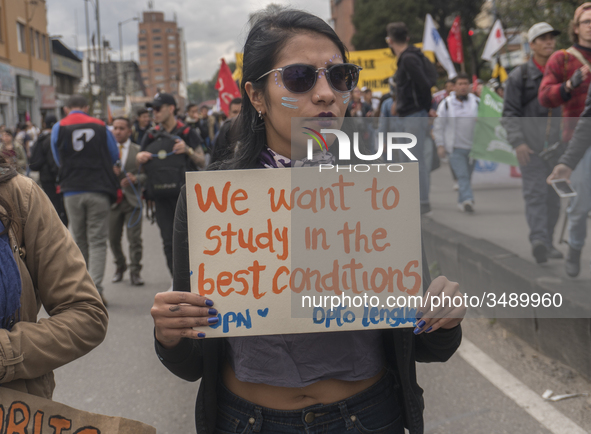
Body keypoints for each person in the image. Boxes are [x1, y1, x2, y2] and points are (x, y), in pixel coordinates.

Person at [151, 9, 465, 434]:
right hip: (248, 421)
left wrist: (442, 315)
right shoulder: (212, 200)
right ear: (256, 96)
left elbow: (425, 343)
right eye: (300, 77)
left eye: (339, 76)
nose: (325, 94)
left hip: (367, 417)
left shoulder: (377, 191)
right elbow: (191, 360)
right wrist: (169, 333)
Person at [0, 156, 108, 398]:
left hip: (14, 412)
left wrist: (5, 354)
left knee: (97, 241)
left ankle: (104, 278)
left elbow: (87, 314)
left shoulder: (18, 195)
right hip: (76, 192)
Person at [503, 22, 563, 264]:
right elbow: (509, 112)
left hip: (559, 150)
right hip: (531, 149)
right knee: (535, 195)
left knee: (554, 199)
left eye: (552, 37)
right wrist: (518, 142)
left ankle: (547, 242)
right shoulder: (521, 75)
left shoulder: (564, 74)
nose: (549, 41)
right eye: (543, 38)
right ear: (532, 44)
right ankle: (539, 241)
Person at [50, 94, 120, 305]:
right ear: (87, 107)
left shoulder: (59, 127)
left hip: (72, 189)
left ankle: (81, 289)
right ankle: (96, 288)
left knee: (78, 240)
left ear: (66, 109)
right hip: (99, 188)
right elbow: (114, 154)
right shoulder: (100, 126)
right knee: (98, 240)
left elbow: (57, 158)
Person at [539, 3, 591, 276]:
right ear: (576, 27)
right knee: (580, 204)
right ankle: (575, 247)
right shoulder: (563, 58)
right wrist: (569, 85)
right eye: (587, 21)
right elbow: (545, 96)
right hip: (578, 140)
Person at [136, 93, 205, 276]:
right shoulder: (151, 135)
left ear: (171, 108)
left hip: (187, 197)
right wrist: (139, 158)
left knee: (192, 241)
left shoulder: (187, 132)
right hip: (161, 198)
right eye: (152, 109)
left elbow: (202, 162)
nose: (154, 113)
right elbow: (142, 167)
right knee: (168, 241)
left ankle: (195, 279)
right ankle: (176, 282)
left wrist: (188, 150)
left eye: (158, 108)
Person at [386, 22, 434, 215]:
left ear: (390, 41)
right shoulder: (411, 56)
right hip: (412, 113)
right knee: (411, 159)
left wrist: (424, 108)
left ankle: (422, 202)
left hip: (414, 114)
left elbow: (424, 84)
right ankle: (418, 200)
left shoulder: (408, 59)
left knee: (414, 160)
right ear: (406, 37)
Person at [433, 72, 480, 213]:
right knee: (462, 175)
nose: (463, 87)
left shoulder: (476, 102)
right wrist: (440, 145)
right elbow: (439, 125)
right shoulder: (446, 104)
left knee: (467, 176)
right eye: (460, 84)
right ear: (454, 87)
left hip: (473, 148)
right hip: (455, 148)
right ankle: (468, 200)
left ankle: (461, 201)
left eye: (466, 84)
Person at [110, 117, 145, 286]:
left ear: (129, 131)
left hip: (133, 201)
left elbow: (148, 175)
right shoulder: (108, 152)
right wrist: (111, 173)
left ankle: (135, 271)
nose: (117, 131)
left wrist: (136, 178)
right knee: (113, 238)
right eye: (115, 128)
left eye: (121, 128)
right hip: (113, 202)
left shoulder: (138, 150)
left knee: (135, 239)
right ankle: (120, 265)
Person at [28, 114, 68, 226]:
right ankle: (60, 229)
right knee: (59, 206)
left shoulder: (40, 138)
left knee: (50, 203)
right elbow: (53, 161)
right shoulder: (52, 139)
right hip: (53, 179)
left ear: (44, 124)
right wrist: (59, 176)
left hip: (44, 177)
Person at [210, 97, 242, 166]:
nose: (239, 116)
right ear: (229, 113)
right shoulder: (222, 132)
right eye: (235, 112)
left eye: (242, 112)